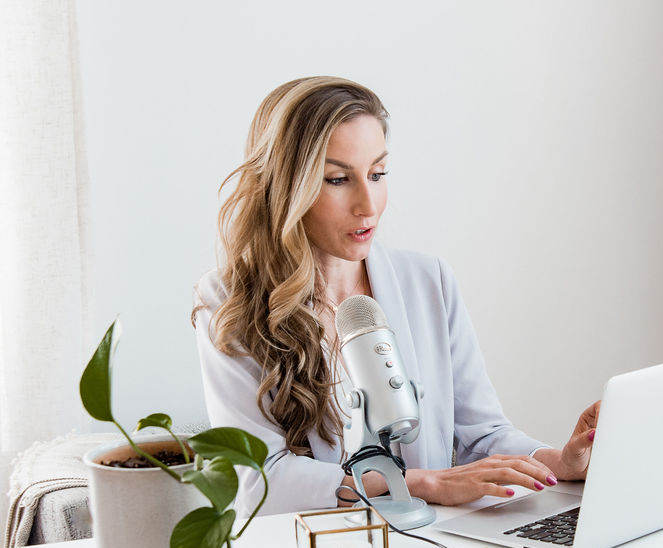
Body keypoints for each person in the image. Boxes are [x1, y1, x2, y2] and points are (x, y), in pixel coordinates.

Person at [194, 76, 599, 517]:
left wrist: (559, 462)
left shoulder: (428, 280)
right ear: (286, 187)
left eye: (377, 174)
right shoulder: (227, 301)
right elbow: (258, 479)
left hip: (435, 543)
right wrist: (420, 483)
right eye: (336, 179)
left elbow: (481, 435)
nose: (368, 203)